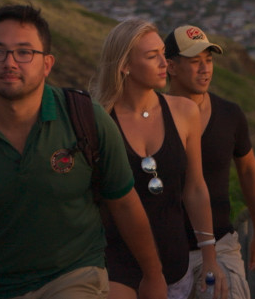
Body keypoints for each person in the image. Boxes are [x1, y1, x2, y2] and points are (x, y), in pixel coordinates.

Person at [0, 5, 168, 299]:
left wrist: (153, 276)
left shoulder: (85, 118)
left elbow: (125, 203)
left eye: (24, 52)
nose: (10, 62)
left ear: (47, 64)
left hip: (74, 278)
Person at [91, 19, 227, 299]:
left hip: (175, 263)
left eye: (163, 53)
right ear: (125, 66)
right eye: (152, 56)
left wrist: (210, 256)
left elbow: (196, 189)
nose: (164, 63)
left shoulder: (184, 112)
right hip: (116, 262)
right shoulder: (99, 120)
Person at [162, 25, 255, 299]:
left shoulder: (230, 114)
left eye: (208, 61)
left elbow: (248, 168)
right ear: (170, 67)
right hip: (165, 252)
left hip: (220, 244)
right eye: (195, 62)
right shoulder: (151, 118)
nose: (205, 69)